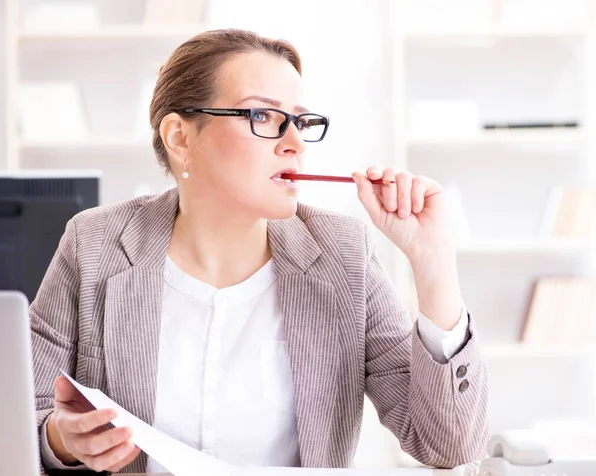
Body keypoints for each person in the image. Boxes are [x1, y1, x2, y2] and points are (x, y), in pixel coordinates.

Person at [30, 28, 489, 475]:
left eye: (300, 122)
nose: (293, 144)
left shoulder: (343, 254)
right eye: (263, 117)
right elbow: (22, 421)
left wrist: (433, 264)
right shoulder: (94, 244)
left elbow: (448, 446)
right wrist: (61, 440)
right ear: (180, 138)